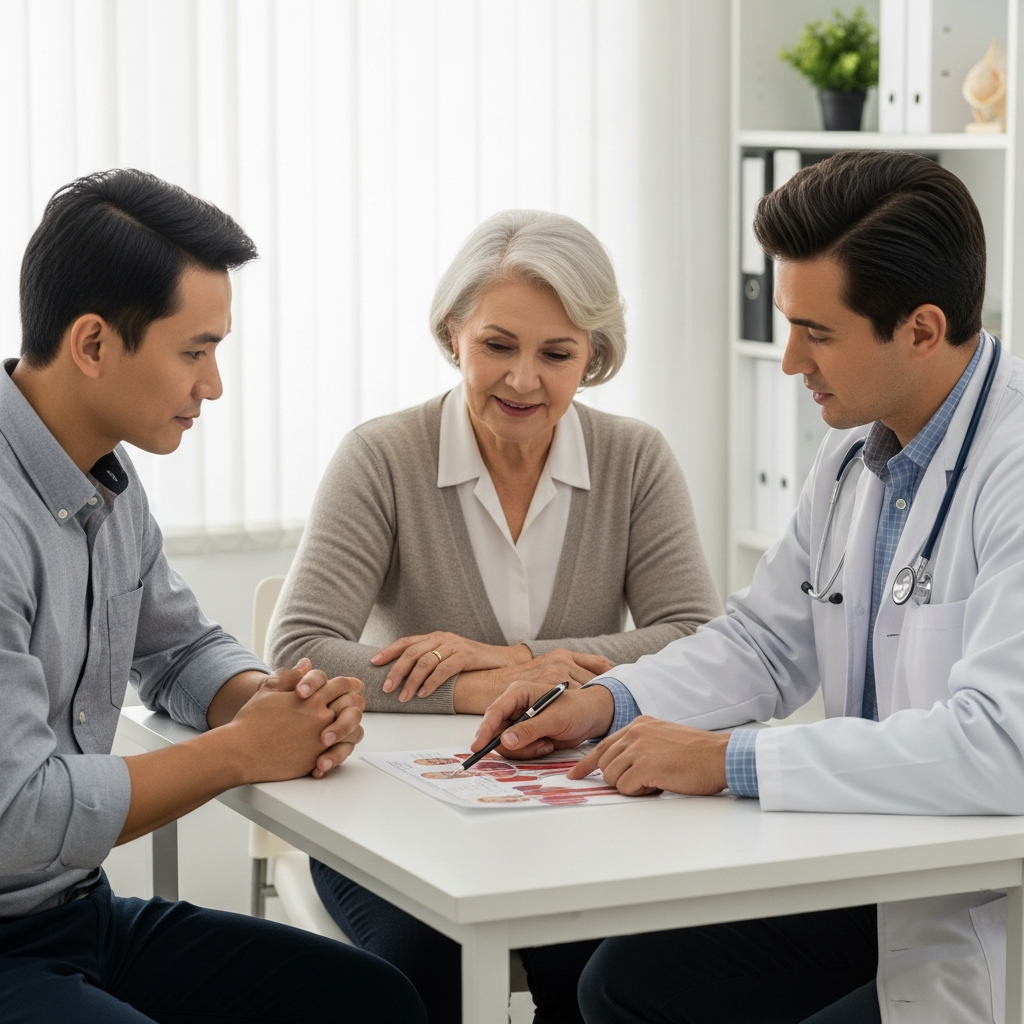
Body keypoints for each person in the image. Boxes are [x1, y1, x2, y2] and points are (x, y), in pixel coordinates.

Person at [472, 151, 1024, 1024]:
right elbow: (766, 644)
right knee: (623, 986)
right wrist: (605, 700)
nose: (789, 360)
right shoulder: (855, 448)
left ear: (922, 329)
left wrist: (729, 760)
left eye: (819, 332)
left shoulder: (1014, 465)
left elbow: (1003, 749)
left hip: (989, 907)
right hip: (879, 857)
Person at [266, 210, 723, 1024]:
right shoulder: (382, 457)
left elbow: (693, 635)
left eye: (558, 354)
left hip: (579, 809)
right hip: (394, 816)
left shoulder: (636, 458)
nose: (523, 380)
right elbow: (301, 649)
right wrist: (484, 690)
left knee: (618, 975)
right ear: (453, 336)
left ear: (595, 355)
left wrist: (515, 658)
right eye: (497, 346)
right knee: (424, 972)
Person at [0, 169, 426, 1024]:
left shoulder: (103, 483)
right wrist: (240, 751)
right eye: (195, 351)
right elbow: (17, 817)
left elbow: (180, 647)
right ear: (92, 344)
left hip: (78, 918)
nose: (214, 385)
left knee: (376, 1003)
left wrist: (265, 703)